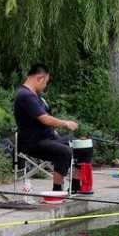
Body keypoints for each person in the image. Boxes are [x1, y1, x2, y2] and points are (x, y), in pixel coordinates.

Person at [13, 64, 81, 192]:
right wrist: (66, 123)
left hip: (47, 139)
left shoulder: (35, 96)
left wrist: (55, 132)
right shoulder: (25, 96)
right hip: (33, 143)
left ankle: (76, 186)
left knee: (82, 146)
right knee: (64, 151)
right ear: (40, 78)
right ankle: (57, 190)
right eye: (46, 82)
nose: (45, 86)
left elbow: (44, 119)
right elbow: (44, 118)